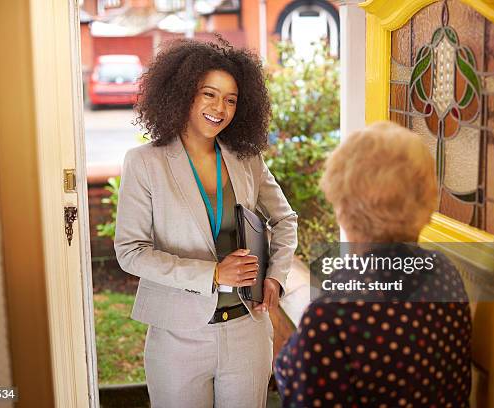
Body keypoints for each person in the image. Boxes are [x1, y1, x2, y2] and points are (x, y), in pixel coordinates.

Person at [114, 38, 298, 408]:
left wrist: (276, 275)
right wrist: (213, 274)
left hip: (247, 328)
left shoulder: (246, 159)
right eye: (209, 94)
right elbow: (131, 253)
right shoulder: (144, 163)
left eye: (230, 99)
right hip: (177, 334)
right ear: (182, 94)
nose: (220, 108)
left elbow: (285, 219)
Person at [274, 121, 472, 407]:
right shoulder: (444, 272)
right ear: (427, 200)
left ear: (344, 205)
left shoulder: (331, 317)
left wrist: (278, 330)